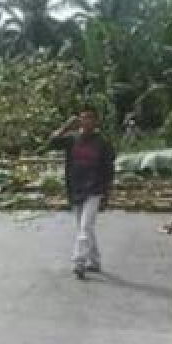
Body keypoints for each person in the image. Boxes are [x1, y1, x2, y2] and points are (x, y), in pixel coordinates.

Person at [50, 107, 115, 279]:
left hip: (94, 189)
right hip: (76, 188)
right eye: (82, 118)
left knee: (85, 226)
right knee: (83, 228)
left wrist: (107, 194)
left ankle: (79, 262)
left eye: (90, 118)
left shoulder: (103, 143)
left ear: (96, 122)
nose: (86, 122)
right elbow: (51, 142)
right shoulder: (72, 139)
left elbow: (109, 171)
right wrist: (66, 126)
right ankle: (94, 261)